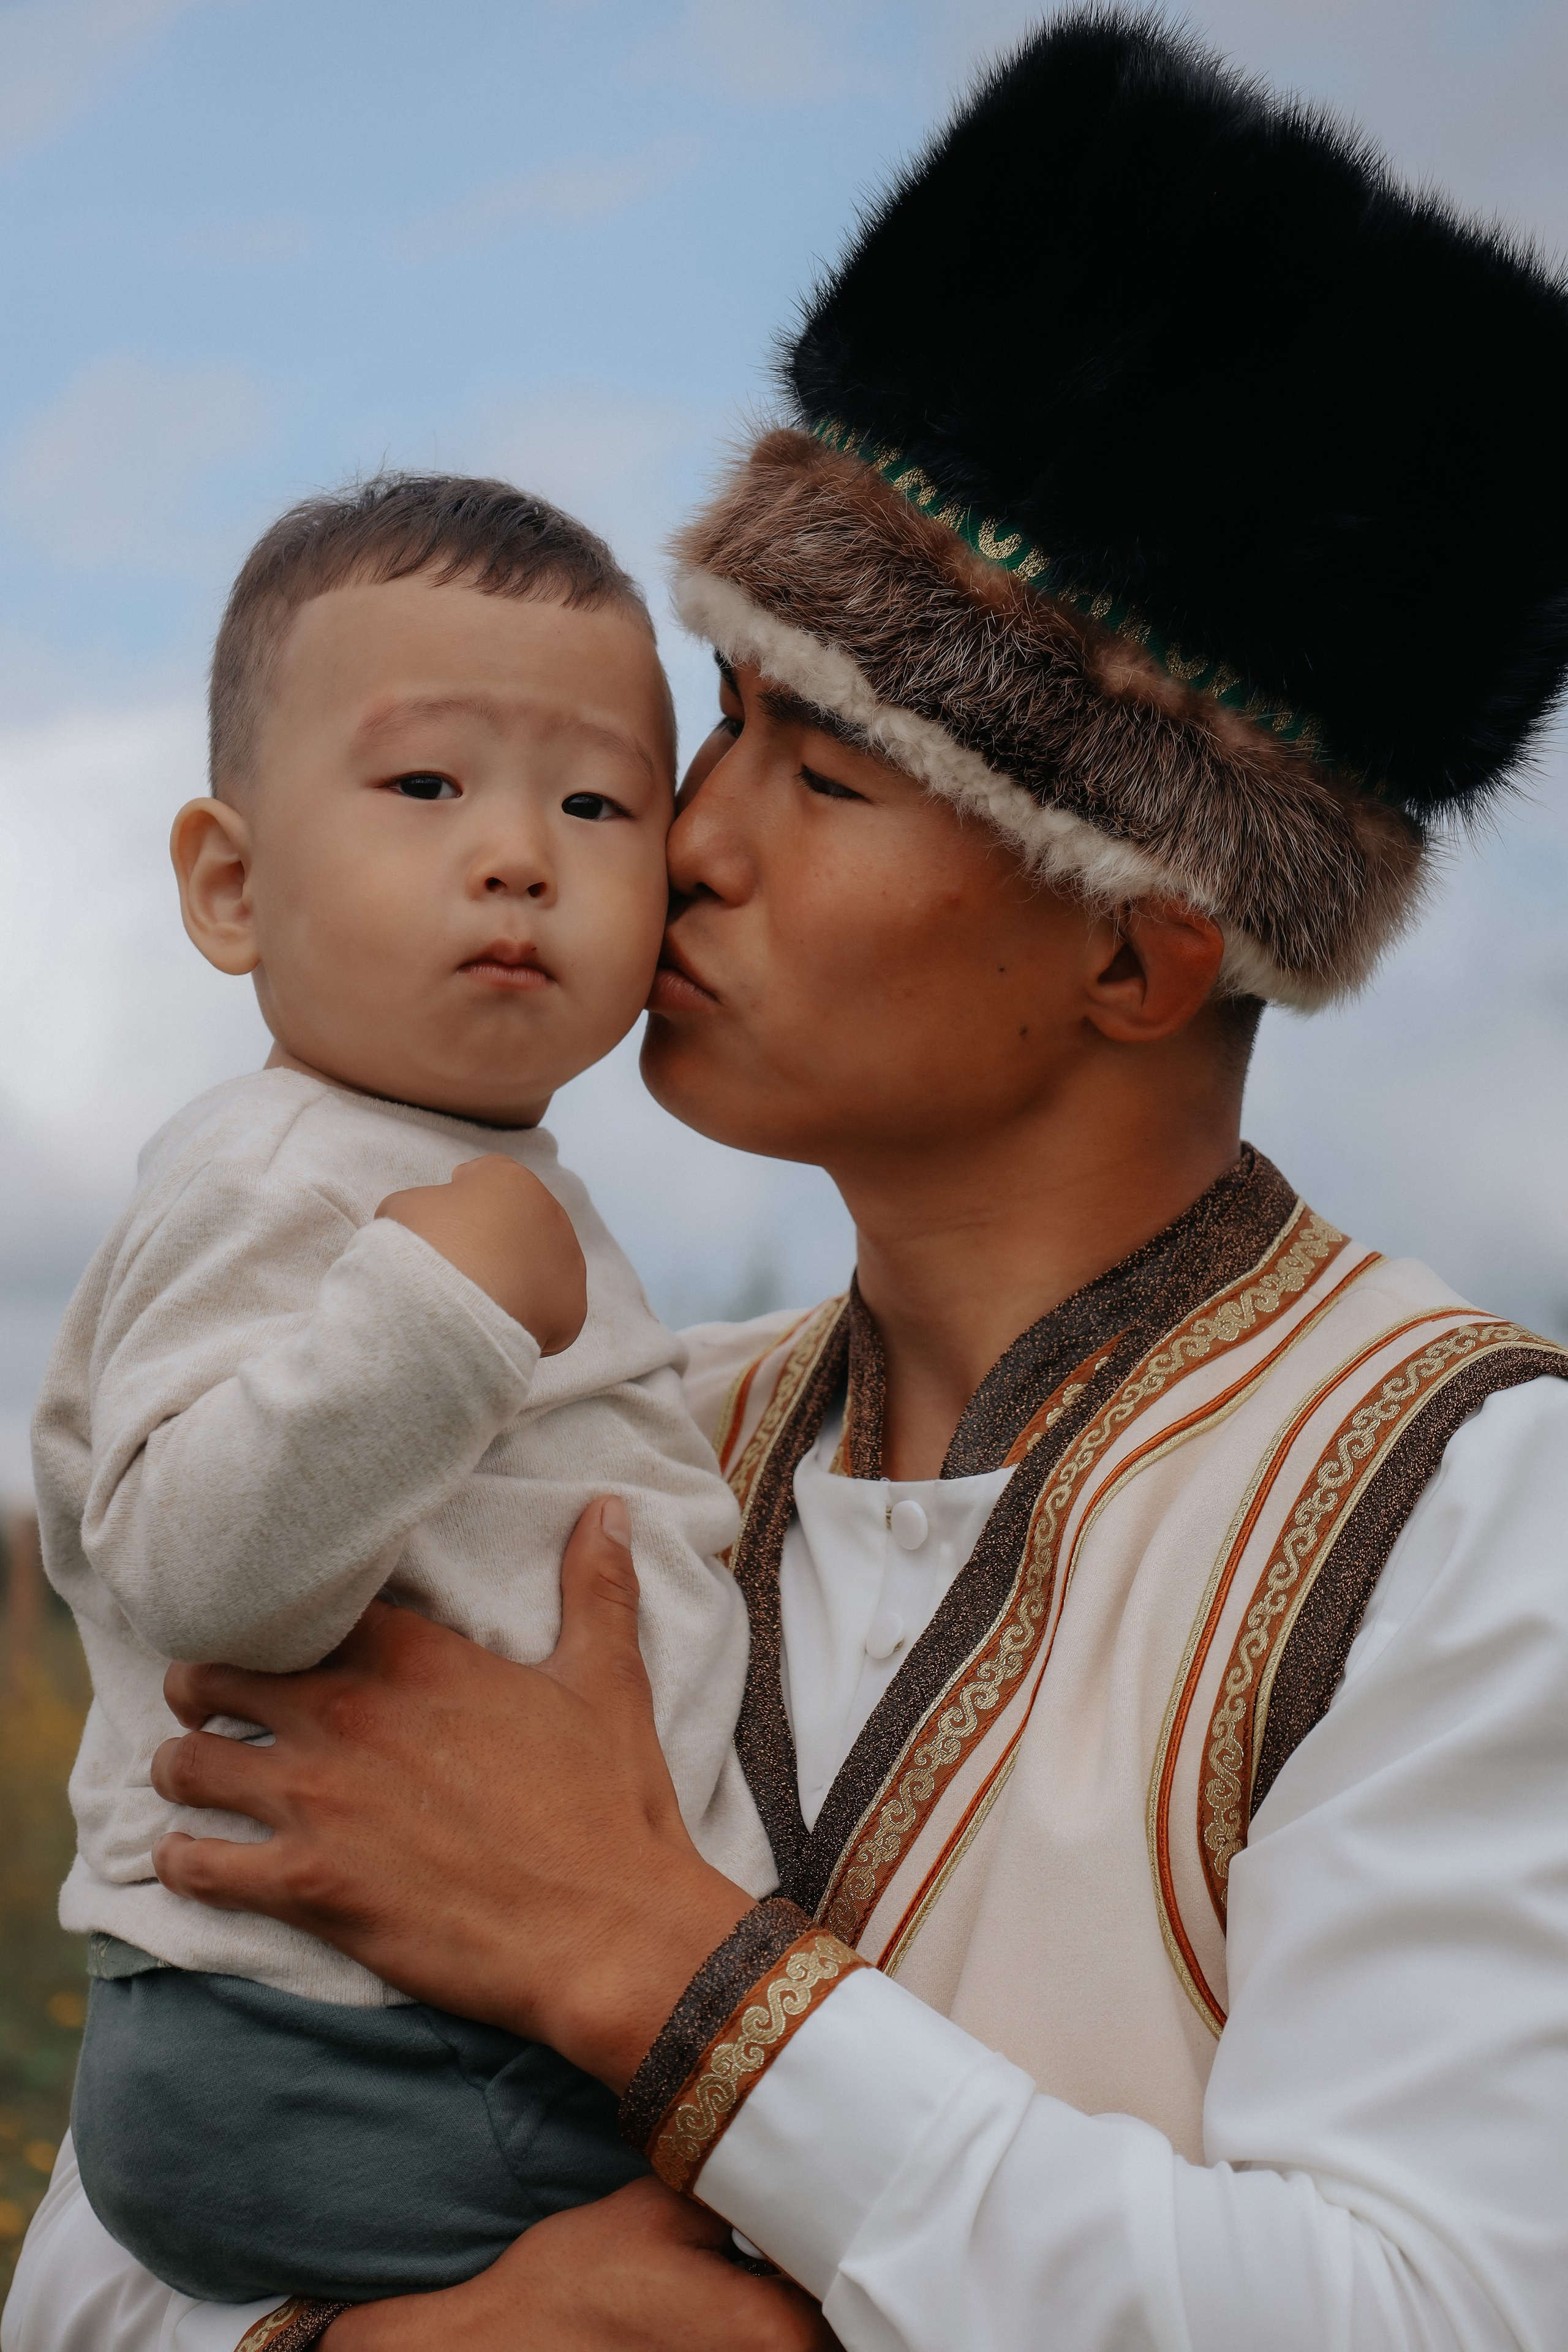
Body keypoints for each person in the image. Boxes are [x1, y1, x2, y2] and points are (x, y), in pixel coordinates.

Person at [9, 11, 1568, 2350]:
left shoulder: (1462, 1506)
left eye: (823, 779)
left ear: (1141, 950)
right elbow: (107, 2226)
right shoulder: (600, 1417)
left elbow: (1442, 2312)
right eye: (717, 723)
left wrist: (661, 1965)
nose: (686, 841)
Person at [26, 477, 773, 2309]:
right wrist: (442, 1314)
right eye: (427, 783)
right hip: (335, 2036)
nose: (519, 854)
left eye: (596, 805)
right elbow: (193, 1572)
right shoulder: (278, 1178)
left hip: (403, 2013)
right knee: (797, 2269)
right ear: (232, 885)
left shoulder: (451, 1176)